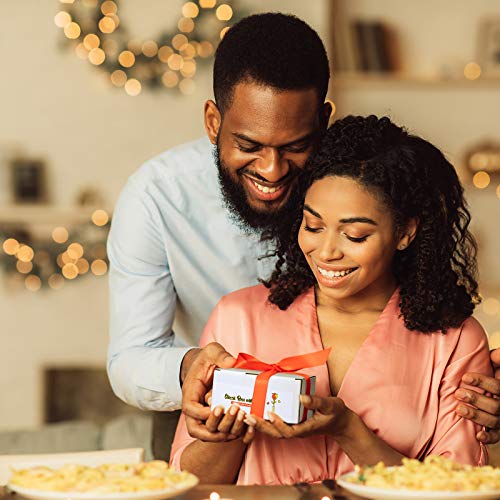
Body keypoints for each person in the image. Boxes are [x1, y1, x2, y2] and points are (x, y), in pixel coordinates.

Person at [106, 13, 500, 457]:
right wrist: (192, 367)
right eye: (250, 146)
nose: (272, 171)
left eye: (294, 146)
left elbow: (416, 285)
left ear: (323, 120)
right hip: (206, 418)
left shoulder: (355, 174)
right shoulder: (157, 197)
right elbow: (130, 357)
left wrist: (469, 375)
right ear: (214, 122)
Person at [170, 115, 493, 484]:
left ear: (405, 232)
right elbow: (183, 484)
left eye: (354, 235)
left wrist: (349, 430)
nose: (325, 252)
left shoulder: (455, 342)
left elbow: (459, 490)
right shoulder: (238, 317)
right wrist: (225, 434)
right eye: (313, 226)